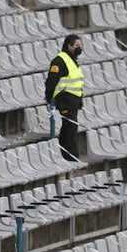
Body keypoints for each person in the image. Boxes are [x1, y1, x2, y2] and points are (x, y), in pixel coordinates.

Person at [45, 33, 85, 162]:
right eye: (77, 45)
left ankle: (66, 155)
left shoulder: (72, 60)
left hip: (74, 100)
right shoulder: (59, 61)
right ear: (69, 46)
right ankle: (71, 157)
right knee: (70, 127)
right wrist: (49, 98)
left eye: (80, 45)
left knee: (69, 127)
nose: (80, 47)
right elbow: (51, 82)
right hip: (65, 100)